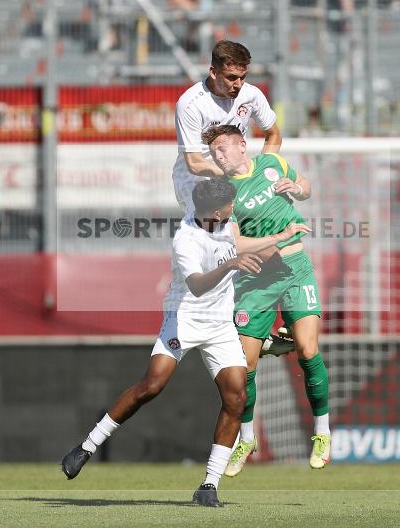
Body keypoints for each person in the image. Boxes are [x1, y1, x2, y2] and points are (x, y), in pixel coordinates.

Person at [60, 178, 309, 507]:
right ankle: (87, 446)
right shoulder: (186, 239)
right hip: (185, 319)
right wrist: (231, 263)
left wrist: (280, 238)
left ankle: (209, 485)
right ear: (216, 212)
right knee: (151, 386)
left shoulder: (223, 221)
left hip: (220, 325)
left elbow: (242, 243)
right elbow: (197, 286)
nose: (233, 208)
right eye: (229, 205)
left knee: (236, 397)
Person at [203, 125, 331, 473]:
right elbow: (235, 242)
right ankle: (247, 439)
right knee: (243, 367)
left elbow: (305, 187)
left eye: (222, 149)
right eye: (214, 153)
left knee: (308, 350)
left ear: (242, 146)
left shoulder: (272, 163)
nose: (218, 156)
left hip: (295, 269)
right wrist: (279, 235)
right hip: (255, 279)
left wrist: (297, 189)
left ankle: (322, 433)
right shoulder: (223, 191)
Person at [173, 40, 281, 216]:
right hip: (197, 180)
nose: (238, 84)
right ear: (213, 72)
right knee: (210, 227)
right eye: (231, 77)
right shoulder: (191, 104)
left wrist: (261, 169)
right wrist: (235, 176)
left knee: (260, 223)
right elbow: (194, 163)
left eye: (243, 77)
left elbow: (273, 134)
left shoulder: (251, 95)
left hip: (235, 177)